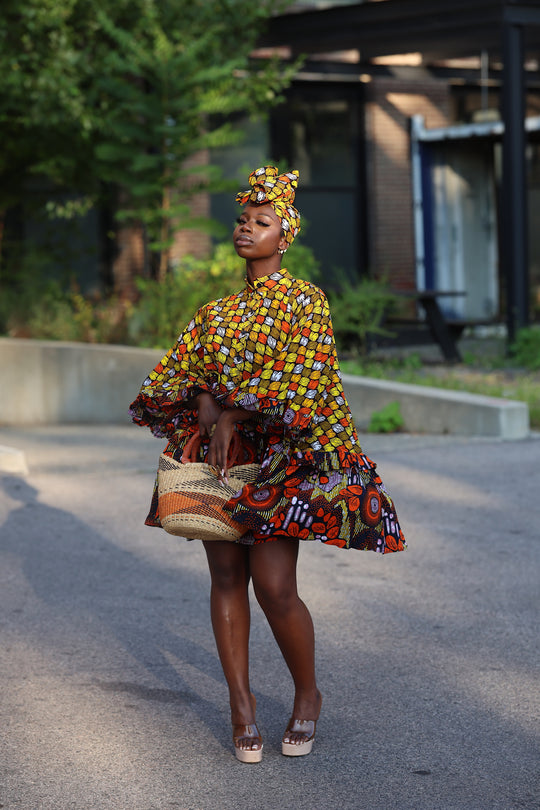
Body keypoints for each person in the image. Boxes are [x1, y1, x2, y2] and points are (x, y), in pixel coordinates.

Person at [129, 166, 406, 764]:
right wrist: (209, 404)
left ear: (285, 238)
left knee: (276, 588)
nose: (246, 229)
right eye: (242, 220)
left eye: (262, 222)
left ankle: (308, 694)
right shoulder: (216, 313)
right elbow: (182, 378)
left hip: (283, 460)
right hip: (225, 467)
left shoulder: (306, 300)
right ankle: (241, 705)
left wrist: (237, 415)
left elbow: (307, 383)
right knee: (227, 578)